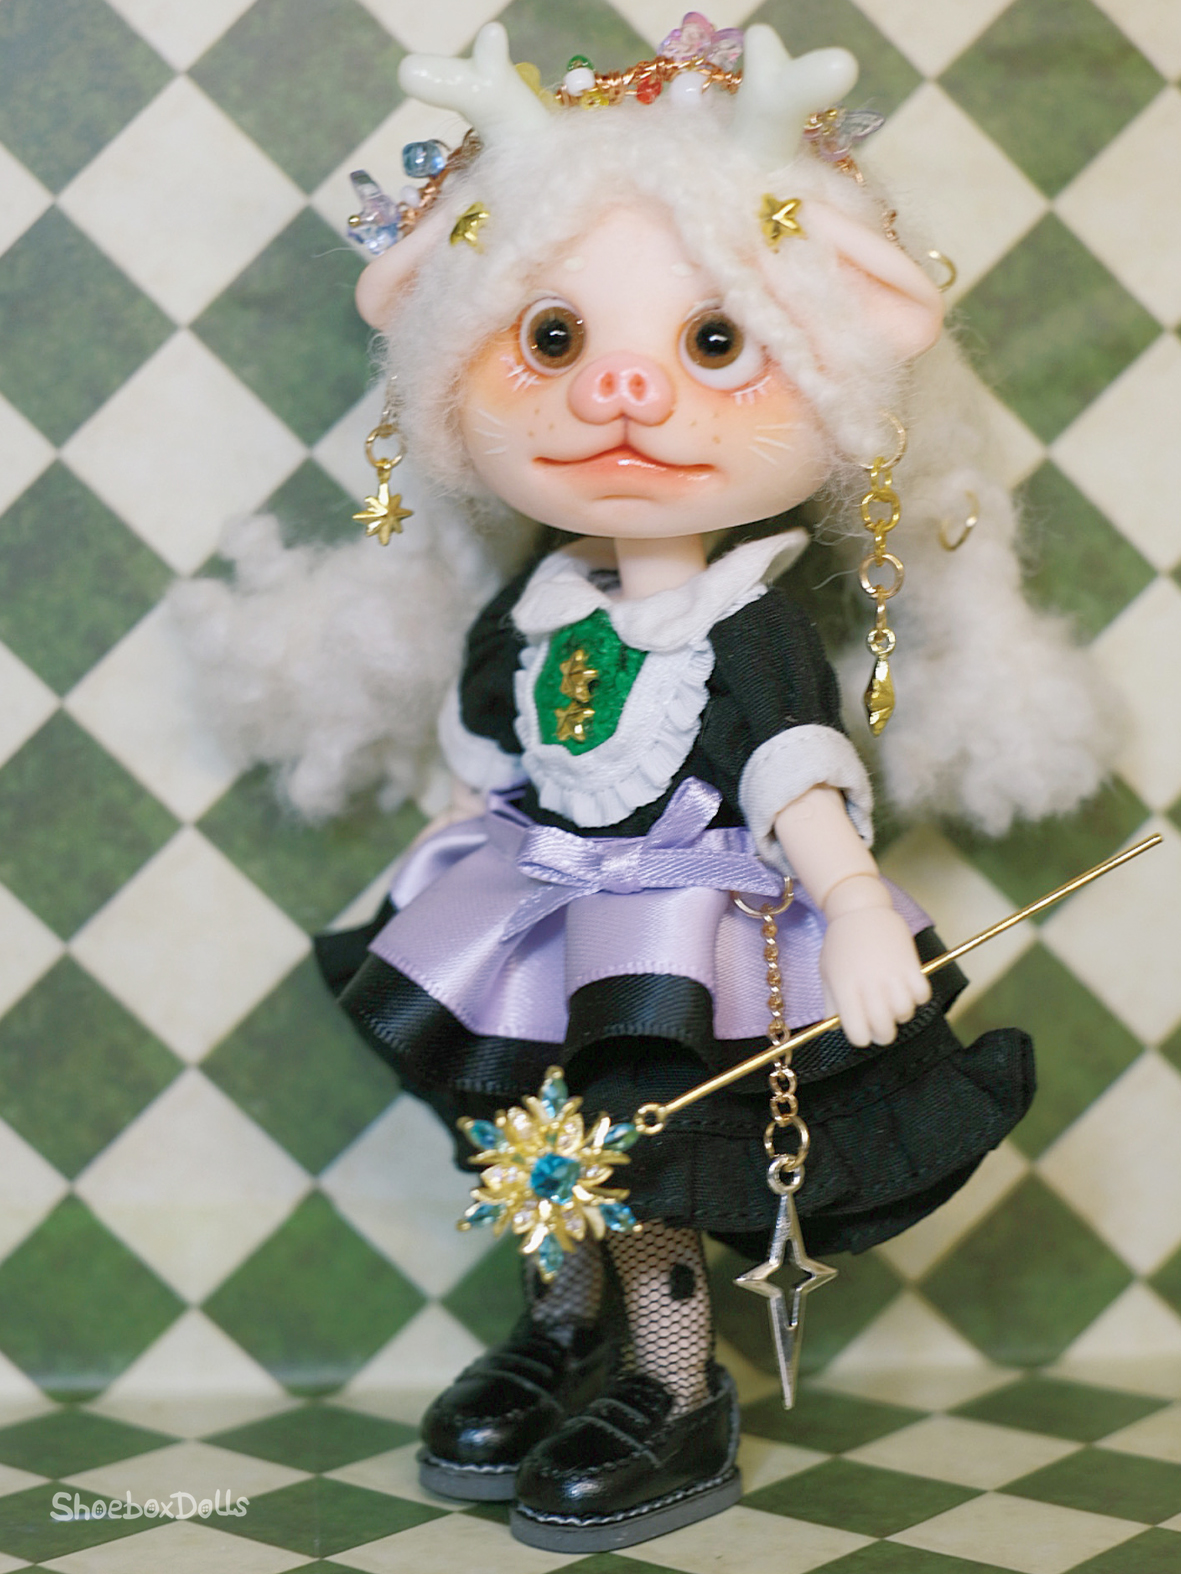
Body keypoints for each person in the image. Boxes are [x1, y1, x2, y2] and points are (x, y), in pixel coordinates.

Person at [175, 14, 1111, 1553]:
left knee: (650, 1157)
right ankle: (563, 1326)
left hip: (682, 930)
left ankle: (674, 1385)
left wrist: (851, 904)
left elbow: (793, 762)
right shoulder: (540, 599)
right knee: (537, 1140)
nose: (622, 392)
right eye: (551, 342)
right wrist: (452, 855)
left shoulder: (740, 620)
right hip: (539, 909)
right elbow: (495, 742)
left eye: (713, 344)